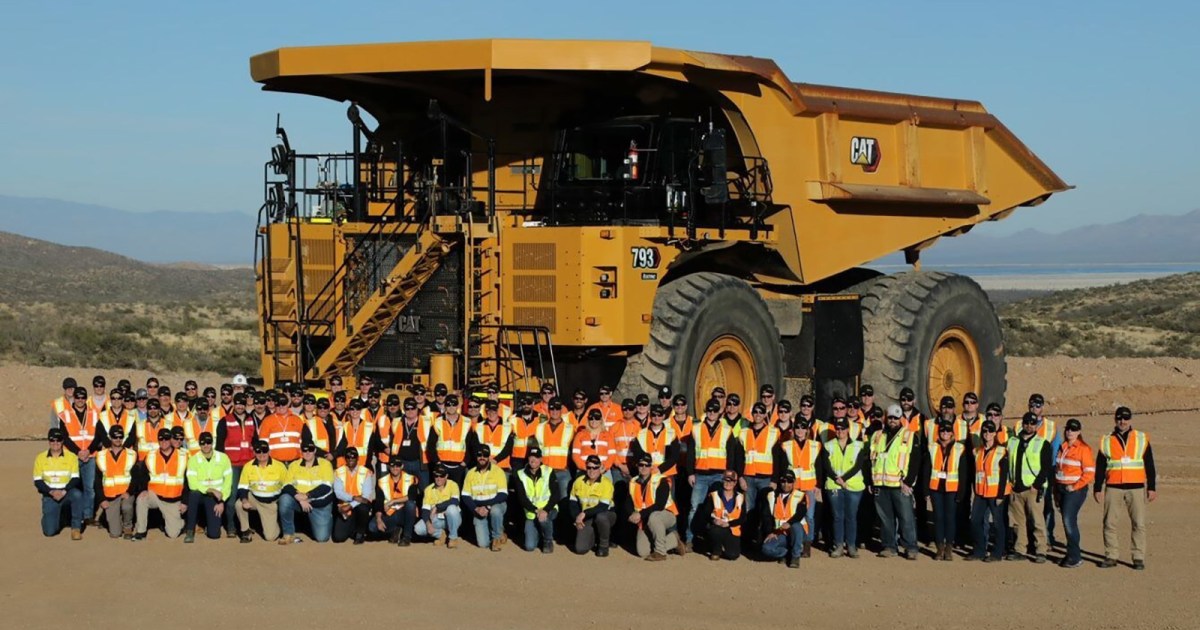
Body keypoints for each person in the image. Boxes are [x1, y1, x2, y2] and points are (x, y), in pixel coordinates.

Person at [1094, 406, 1156, 570]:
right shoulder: (1106, 440)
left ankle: (1138, 557)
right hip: (1113, 486)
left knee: (1139, 523)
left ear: (1130, 420)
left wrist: (1152, 487)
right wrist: (1097, 487)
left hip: (1136, 487)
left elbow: (1149, 464)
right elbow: (1100, 466)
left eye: (1126, 418)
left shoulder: (1141, 438)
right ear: (1115, 419)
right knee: (1109, 523)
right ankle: (1111, 555)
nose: (1123, 422)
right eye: (1120, 418)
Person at [687, 398, 744, 547]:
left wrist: (729, 476)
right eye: (709, 410)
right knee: (695, 507)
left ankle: (715, 542)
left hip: (720, 476)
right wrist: (690, 473)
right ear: (706, 411)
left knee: (719, 508)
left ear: (719, 412)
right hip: (700, 475)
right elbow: (690, 454)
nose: (712, 413)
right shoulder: (696, 428)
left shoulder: (727, 430)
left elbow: (730, 455)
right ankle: (689, 539)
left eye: (715, 410)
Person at [870, 404, 919, 560]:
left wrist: (908, 482)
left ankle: (910, 547)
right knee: (886, 518)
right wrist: (872, 482)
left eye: (896, 418)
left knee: (906, 517)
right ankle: (889, 546)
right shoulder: (877, 435)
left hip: (900, 484)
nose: (892, 420)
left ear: (901, 419)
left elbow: (915, 462)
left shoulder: (910, 436)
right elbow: (870, 460)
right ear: (886, 418)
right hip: (881, 484)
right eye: (890, 417)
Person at [820, 417, 870, 558]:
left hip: (853, 486)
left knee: (851, 516)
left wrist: (844, 479)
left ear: (848, 430)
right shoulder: (828, 445)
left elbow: (858, 465)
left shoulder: (858, 446)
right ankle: (839, 545)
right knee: (837, 516)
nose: (840, 431)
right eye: (838, 428)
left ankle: (852, 546)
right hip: (834, 485)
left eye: (842, 428)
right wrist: (837, 479)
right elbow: (826, 465)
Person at [1008, 412, 1053, 563]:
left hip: (1032, 489)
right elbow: (1009, 464)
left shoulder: (1042, 443)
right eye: (1026, 423)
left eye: (1032, 423)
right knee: (1018, 522)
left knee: (1037, 521)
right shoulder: (1013, 441)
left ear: (1036, 426)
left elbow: (1046, 467)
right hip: (1016, 488)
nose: (1029, 426)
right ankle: (1020, 549)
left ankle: (1041, 550)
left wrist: (1036, 485)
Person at [774, 408, 819, 557]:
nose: (800, 430)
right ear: (793, 429)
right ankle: (793, 542)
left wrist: (818, 486)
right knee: (793, 516)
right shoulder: (785, 445)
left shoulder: (815, 445)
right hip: (792, 488)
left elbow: (819, 467)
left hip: (808, 487)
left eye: (803, 427)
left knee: (809, 517)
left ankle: (807, 543)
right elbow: (781, 466)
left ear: (807, 430)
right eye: (797, 427)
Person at [56, 386, 103, 526]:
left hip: (90, 456)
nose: (80, 400)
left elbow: (98, 435)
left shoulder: (94, 413)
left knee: (89, 488)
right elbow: (64, 437)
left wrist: (88, 450)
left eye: (83, 397)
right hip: (72, 457)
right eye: (78, 397)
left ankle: (88, 516)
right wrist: (78, 452)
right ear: (74, 398)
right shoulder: (65, 414)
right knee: (71, 487)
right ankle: (72, 514)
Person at [924, 421, 970, 561]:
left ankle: (949, 547)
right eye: (942, 431)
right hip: (935, 488)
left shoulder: (959, 449)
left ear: (952, 433)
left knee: (950, 518)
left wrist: (961, 492)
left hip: (952, 488)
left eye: (947, 431)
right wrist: (925, 491)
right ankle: (939, 548)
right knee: (938, 518)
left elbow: (963, 473)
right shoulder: (932, 447)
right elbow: (926, 470)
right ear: (939, 433)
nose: (945, 433)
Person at [1022, 393, 1062, 548]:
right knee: (1028, 507)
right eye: (1032, 405)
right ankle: (1030, 538)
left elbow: (1055, 450)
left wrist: (1050, 473)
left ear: (1043, 407)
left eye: (1038, 405)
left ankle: (1048, 537)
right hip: (1026, 473)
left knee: (1046, 505)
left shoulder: (1051, 427)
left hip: (1045, 472)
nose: (1034, 408)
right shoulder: (1021, 424)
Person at [626, 454, 685, 561]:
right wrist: (631, 514)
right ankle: (673, 540)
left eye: (647, 465)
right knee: (642, 552)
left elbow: (659, 505)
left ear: (651, 467)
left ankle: (660, 553)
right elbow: (628, 503)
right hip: (644, 519)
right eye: (641, 465)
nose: (644, 467)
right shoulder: (633, 482)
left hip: (665, 515)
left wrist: (640, 514)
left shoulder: (661, 480)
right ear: (637, 466)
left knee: (654, 517)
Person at [135, 427, 188, 540]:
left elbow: (188, 481)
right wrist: (143, 489)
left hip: (173, 500)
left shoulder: (183, 456)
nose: (164, 441)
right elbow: (143, 475)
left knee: (173, 534)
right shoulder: (151, 455)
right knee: (141, 499)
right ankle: (141, 531)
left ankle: (181, 523)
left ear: (171, 440)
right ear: (158, 440)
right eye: (161, 439)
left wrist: (185, 501)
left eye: (166, 438)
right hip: (155, 495)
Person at [1055, 418, 1095, 568]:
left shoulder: (1083, 449)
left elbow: (1089, 472)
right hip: (1061, 488)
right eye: (1068, 429)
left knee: (1068, 520)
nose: (1070, 432)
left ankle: (1075, 556)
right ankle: (1071, 553)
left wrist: (1075, 486)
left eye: (1073, 429)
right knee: (1067, 521)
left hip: (1074, 490)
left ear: (1079, 432)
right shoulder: (1063, 447)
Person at [216, 393, 257, 537]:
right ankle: (231, 527)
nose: (240, 406)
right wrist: (221, 464)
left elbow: (255, 441)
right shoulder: (225, 421)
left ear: (246, 404)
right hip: (232, 464)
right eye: (237, 403)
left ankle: (246, 526)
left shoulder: (251, 420)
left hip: (248, 464)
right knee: (232, 496)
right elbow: (219, 445)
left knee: (247, 495)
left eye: (242, 403)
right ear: (234, 404)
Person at [968, 420, 1009, 562]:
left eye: (990, 431)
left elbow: (1004, 475)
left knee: (998, 524)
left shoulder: (1002, 451)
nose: (987, 434)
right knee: (975, 521)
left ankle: (997, 553)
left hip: (995, 493)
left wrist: (1000, 495)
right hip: (980, 493)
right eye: (985, 431)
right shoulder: (977, 451)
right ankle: (979, 550)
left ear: (995, 433)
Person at [280, 439, 336, 544]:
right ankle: (288, 534)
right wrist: (298, 497)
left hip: (320, 504)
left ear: (315, 450)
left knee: (322, 538)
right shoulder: (294, 465)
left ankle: (328, 518)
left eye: (310, 450)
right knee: (284, 499)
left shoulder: (325, 464)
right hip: (300, 501)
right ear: (301, 451)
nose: (307, 452)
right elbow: (286, 485)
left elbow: (326, 487)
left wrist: (307, 496)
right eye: (304, 450)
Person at [34, 428, 83, 538]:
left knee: (77, 495)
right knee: (50, 532)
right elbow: (38, 481)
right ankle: (50, 516)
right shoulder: (40, 458)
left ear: (62, 441)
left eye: (58, 440)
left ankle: (76, 528)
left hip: (66, 492)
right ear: (48, 441)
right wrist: (51, 492)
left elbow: (75, 478)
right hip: (50, 494)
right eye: (52, 440)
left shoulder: (71, 457)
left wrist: (64, 491)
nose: (55, 443)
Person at [184, 431, 233, 542]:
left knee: (214, 535)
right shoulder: (193, 460)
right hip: (201, 494)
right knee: (193, 494)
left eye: (208, 442)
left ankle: (208, 525)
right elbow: (192, 483)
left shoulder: (223, 458)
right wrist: (209, 489)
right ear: (199, 444)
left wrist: (222, 501)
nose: (206, 445)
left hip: (216, 497)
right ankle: (190, 530)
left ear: (212, 443)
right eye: (203, 443)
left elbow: (228, 482)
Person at [236, 439, 288, 543]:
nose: (262, 454)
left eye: (264, 451)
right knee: (239, 504)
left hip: (271, 504)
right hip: (255, 499)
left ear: (269, 451)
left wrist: (280, 504)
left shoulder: (280, 466)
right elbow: (242, 487)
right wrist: (245, 500)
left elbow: (287, 487)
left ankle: (278, 523)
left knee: (270, 537)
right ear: (254, 452)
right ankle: (246, 531)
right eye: (258, 451)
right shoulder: (248, 466)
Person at [514, 447, 563, 553]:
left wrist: (545, 510)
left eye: (536, 457)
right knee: (529, 546)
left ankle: (548, 540)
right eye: (531, 457)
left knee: (544, 519)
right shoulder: (520, 474)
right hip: (531, 512)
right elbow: (522, 498)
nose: (533, 460)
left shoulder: (549, 471)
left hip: (549, 509)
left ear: (541, 459)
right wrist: (536, 510)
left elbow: (556, 494)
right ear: (528, 458)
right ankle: (540, 535)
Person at [568, 454, 617, 556]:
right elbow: (572, 502)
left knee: (601, 517)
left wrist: (583, 514)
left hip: (606, 515)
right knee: (580, 549)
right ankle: (593, 536)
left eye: (595, 467)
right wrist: (577, 517)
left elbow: (603, 506)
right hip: (587, 517)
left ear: (600, 468)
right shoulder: (578, 481)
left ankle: (604, 545)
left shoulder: (606, 483)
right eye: (589, 467)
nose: (592, 470)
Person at [462, 445, 509, 551]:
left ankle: (496, 538)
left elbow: (503, 494)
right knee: (483, 544)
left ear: (489, 456)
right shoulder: (470, 473)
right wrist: (476, 509)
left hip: (495, 505)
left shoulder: (498, 471)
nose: (482, 457)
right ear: (476, 456)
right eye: (479, 455)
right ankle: (500, 531)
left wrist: (487, 506)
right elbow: (465, 495)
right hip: (478, 508)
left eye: (485, 455)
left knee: (495, 511)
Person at [760, 470, 808, 568]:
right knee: (766, 549)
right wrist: (770, 532)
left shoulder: (801, 495)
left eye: (789, 481)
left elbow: (800, 513)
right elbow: (767, 516)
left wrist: (789, 523)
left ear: (794, 482)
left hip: (796, 533)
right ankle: (786, 553)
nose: (786, 484)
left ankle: (795, 556)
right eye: (783, 481)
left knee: (796, 525)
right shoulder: (771, 496)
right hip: (779, 533)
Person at [96, 425, 136, 539]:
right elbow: (97, 481)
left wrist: (129, 492)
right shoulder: (101, 455)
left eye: (120, 437)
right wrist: (102, 499)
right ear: (110, 437)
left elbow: (135, 478)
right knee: (115, 534)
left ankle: (128, 526)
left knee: (127, 507)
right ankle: (107, 517)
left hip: (125, 493)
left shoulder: (131, 454)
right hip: (110, 496)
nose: (118, 439)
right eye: (115, 437)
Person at [370, 458, 420, 545]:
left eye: (398, 466)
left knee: (411, 504)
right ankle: (395, 530)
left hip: (404, 512)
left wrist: (392, 501)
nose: (395, 468)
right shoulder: (381, 481)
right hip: (389, 513)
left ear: (402, 466)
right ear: (389, 467)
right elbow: (379, 502)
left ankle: (406, 537)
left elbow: (412, 496)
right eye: (392, 466)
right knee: (372, 527)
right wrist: (378, 519)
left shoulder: (411, 478)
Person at [425, 393, 472, 485]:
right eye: (448, 404)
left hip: (459, 466)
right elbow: (430, 444)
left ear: (458, 406)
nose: (451, 407)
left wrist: (465, 462)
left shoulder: (467, 422)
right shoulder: (437, 422)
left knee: (455, 494)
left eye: (454, 404)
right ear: (445, 406)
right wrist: (437, 462)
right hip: (442, 465)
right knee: (440, 493)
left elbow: (470, 445)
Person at [332, 447, 375, 544]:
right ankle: (353, 530)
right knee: (338, 538)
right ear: (344, 458)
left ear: (357, 458)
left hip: (359, 506)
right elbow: (338, 493)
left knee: (363, 507)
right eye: (348, 457)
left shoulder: (366, 472)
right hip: (344, 507)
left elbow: (366, 496)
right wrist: (353, 497)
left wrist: (351, 505)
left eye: (353, 457)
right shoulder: (339, 472)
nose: (351, 459)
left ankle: (360, 534)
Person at [628, 404, 680, 482]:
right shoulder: (641, 433)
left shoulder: (671, 433)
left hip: (666, 474)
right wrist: (649, 469)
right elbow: (638, 455)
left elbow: (674, 457)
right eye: (654, 415)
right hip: (647, 475)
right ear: (650, 416)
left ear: (663, 416)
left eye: (659, 415)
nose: (656, 418)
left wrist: (660, 469)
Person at [416, 463, 463, 548]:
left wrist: (437, 507)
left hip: (453, 519)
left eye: (441, 476)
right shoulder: (428, 489)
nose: (438, 478)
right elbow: (425, 510)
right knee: (418, 528)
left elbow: (455, 501)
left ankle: (453, 538)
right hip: (437, 519)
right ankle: (441, 535)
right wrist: (428, 524)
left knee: (451, 508)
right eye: (436, 476)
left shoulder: (453, 485)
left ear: (446, 476)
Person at [467, 395, 516, 472]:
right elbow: (475, 447)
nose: (491, 413)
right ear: (486, 412)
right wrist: (485, 459)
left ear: (498, 411)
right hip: (483, 467)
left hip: (502, 466)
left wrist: (496, 460)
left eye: (494, 411)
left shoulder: (509, 426)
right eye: (489, 411)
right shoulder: (478, 426)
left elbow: (508, 448)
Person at [705, 470, 745, 561]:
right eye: (726, 480)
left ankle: (723, 545)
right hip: (717, 527)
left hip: (732, 529)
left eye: (731, 481)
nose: (728, 483)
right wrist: (713, 520)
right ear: (722, 481)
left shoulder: (740, 497)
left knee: (733, 555)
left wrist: (729, 524)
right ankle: (716, 550)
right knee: (715, 531)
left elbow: (743, 518)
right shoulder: (714, 495)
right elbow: (706, 513)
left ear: (735, 483)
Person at [260, 393, 304, 464]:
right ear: (274, 405)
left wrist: (301, 459)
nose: (281, 406)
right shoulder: (267, 421)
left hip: (295, 462)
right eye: (278, 404)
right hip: (275, 463)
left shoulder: (297, 420)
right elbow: (263, 444)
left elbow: (303, 441)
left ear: (288, 404)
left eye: (283, 403)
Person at [573, 408, 617, 477]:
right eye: (591, 418)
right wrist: (588, 468)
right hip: (583, 471)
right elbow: (575, 455)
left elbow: (612, 455)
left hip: (603, 471)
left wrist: (603, 468)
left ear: (601, 420)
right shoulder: (580, 435)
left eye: (597, 418)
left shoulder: (608, 435)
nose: (594, 421)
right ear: (588, 420)